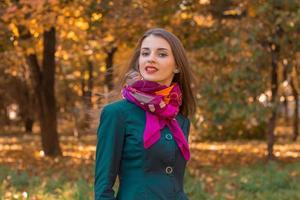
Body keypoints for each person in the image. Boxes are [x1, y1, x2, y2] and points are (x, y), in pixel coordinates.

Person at [94, 28, 197, 200]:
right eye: (145, 53)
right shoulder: (116, 114)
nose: (151, 59)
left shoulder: (181, 121)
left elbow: (176, 182)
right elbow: (103, 188)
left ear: (177, 66)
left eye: (162, 54)